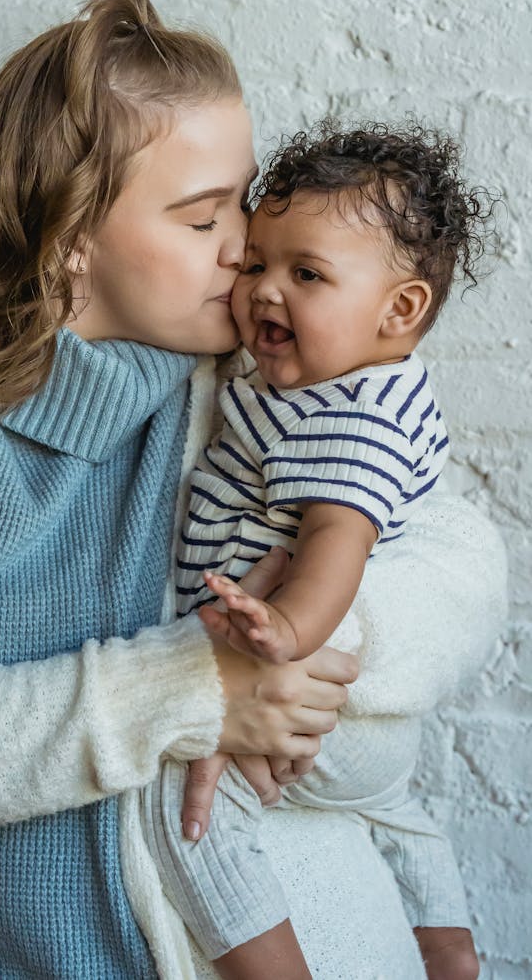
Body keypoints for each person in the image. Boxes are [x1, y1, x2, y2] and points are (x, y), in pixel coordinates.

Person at [0, 0, 505, 980]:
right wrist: (189, 685)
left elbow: (466, 559)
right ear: (73, 238)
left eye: (243, 206)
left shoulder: (266, 370)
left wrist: (309, 632)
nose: (248, 248)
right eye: (204, 218)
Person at [143, 123, 498, 980]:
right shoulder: (352, 379)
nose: (264, 291)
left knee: (184, 809)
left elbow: (338, 541)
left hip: (307, 701)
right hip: (371, 742)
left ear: (400, 308)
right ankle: (447, 942)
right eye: (257, 262)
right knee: (395, 801)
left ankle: (274, 967)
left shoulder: (346, 416)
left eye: (306, 274)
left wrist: (283, 635)